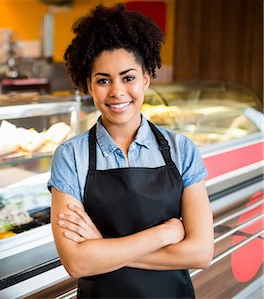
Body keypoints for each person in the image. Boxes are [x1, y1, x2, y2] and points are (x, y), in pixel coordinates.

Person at [47, 3, 214, 298]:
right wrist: (165, 234)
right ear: (88, 84)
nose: (117, 91)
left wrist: (102, 249)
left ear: (146, 78)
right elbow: (76, 262)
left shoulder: (181, 150)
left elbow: (200, 253)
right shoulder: (71, 157)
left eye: (128, 77)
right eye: (102, 80)